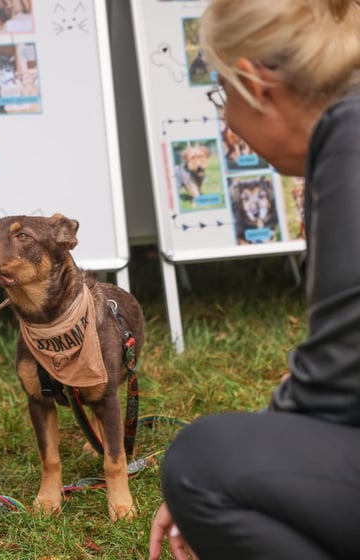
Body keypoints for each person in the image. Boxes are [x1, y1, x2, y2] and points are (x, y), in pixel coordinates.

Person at [148, 1, 360, 559]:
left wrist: (249, 471)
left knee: (202, 463)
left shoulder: (351, 131)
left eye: (221, 95)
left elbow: (340, 375)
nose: (225, 121)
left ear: (255, 83)